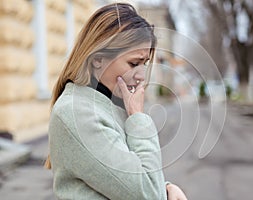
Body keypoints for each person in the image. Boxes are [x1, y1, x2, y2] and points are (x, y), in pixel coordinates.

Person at [44, 3, 187, 200]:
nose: (141, 76)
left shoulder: (106, 105)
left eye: (144, 64)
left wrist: (166, 189)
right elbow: (147, 194)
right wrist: (138, 118)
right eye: (134, 64)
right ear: (98, 59)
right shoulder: (77, 113)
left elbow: (122, 181)